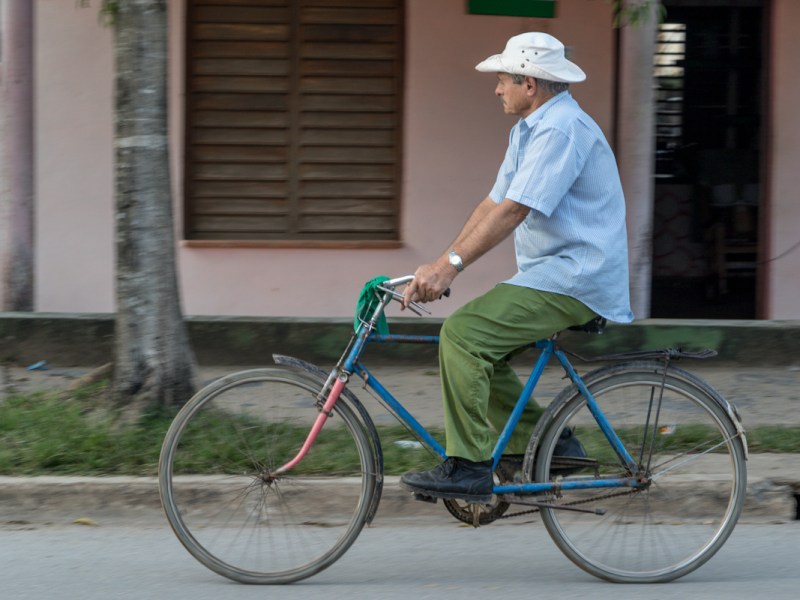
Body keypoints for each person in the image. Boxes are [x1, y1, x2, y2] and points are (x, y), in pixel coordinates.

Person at [399, 32, 634, 503]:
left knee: (464, 335)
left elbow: (514, 211)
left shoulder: (560, 129)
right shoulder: (531, 127)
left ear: (529, 83)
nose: (496, 88)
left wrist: (451, 268)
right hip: (555, 271)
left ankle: (469, 467)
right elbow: (493, 202)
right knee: (478, 349)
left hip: (575, 276)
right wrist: (442, 263)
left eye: (503, 79)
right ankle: (550, 444)